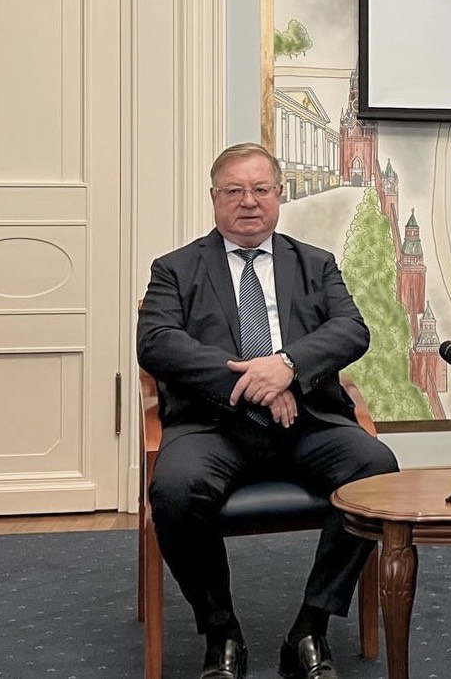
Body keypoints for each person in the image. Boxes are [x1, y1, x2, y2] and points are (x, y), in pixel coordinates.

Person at [137, 142, 399, 679]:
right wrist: (253, 380)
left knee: (376, 469)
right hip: (214, 425)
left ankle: (310, 628)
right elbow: (157, 342)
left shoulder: (316, 264)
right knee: (175, 490)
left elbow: (351, 331)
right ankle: (221, 632)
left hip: (305, 420)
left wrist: (287, 367)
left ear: (279, 195)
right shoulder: (175, 269)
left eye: (260, 189)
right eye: (234, 190)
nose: (248, 201)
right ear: (214, 198)